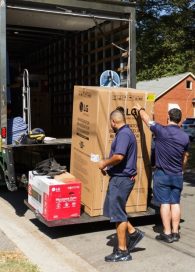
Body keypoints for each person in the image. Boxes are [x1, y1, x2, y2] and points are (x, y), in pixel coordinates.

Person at [134, 104, 189, 243]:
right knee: (175, 203)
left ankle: (167, 233)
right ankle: (176, 232)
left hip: (163, 174)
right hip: (177, 175)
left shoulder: (161, 130)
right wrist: (182, 169)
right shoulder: (185, 137)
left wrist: (140, 109)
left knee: (164, 203)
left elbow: (146, 120)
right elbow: (185, 156)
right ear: (180, 120)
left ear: (168, 117)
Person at [98, 107, 144, 262]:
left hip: (122, 179)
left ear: (113, 121)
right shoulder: (124, 132)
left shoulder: (124, 134)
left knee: (118, 215)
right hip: (119, 177)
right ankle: (132, 233)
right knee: (115, 210)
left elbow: (118, 156)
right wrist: (109, 167)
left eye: (110, 123)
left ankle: (123, 251)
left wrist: (105, 162)